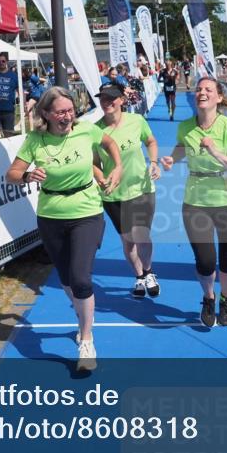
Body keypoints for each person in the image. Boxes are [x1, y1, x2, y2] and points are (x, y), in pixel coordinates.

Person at [6, 86, 122, 371]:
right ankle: (83, 316)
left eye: (70, 111)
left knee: (81, 279)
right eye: (60, 112)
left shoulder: (86, 131)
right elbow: (11, 174)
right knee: (69, 281)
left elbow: (110, 144)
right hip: (51, 216)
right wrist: (28, 175)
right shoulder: (35, 140)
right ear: (46, 113)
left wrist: (116, 168)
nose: (67, 116)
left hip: (87, 211)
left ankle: (86, 339)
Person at [160, 77, 227, 327]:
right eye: (198, 89)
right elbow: (181, 147)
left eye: (208, 89)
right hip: (196, 200)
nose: (202, 92)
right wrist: (171, 160)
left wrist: (215, 152)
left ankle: (226, 299)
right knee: (206, 261)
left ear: (219, 98)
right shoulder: (186, 127)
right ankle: (208, 297)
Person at [93, 84, 161, 298]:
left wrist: (153, 162)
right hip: (114, 195)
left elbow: (150, 141)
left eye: (111, 98)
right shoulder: (95, 130)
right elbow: (94, 163)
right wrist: (101, 178)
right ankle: (139, 276)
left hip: (141, 189)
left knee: (142, 235)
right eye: (103, 98)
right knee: (128, 240)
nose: (107, 102)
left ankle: (149, 272)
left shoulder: (136, 121)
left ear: (122, 100)